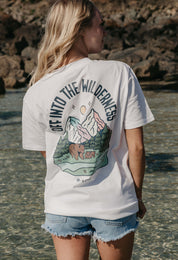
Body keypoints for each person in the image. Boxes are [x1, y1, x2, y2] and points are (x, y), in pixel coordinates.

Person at [22, 0, 154, 259]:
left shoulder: (36, 90)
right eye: (100, 24)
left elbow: (48, 154)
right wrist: (135, 195)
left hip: (64, 203)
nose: (105, 31)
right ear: (79, 29)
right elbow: (136, 147)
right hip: (114, 201)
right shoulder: (120, 73)